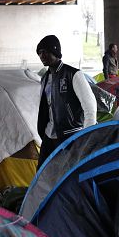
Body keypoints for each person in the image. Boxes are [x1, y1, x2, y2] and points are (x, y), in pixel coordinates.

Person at [36, 35, 97, 167]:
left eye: (44, 52)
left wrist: (86, 138)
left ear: (55, 51)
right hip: (49, 135)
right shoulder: (45, 78)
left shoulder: (73, 74)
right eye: (39, 53)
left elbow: (90, 107)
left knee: (69, 174)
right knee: (42, 173)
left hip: (70, 135)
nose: (41, 56)